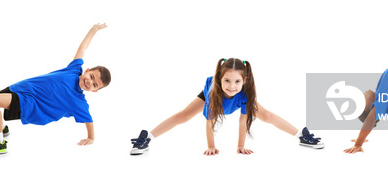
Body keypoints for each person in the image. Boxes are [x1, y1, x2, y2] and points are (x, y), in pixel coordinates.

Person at [130, 58, 324, 156]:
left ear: (244, 81)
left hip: (239, 98)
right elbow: (209, 122)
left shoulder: (244, 92)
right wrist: (211, 147)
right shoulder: (213, 94)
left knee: (267, 115)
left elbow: (243, 120)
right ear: (219, 79)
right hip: (213, 96)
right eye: (227, 80)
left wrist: (240, 146)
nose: (232, 86)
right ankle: (148, 137)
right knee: (183, 116)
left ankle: (302, 136)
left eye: (237, 81)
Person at [0, 23, 111, 155]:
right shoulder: (74, 69)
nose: (90, 82)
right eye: (91, 76)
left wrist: (91, 137)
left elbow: (89, 120)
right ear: (86, 70)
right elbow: (82, 48)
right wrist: (93, 30)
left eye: (94, 85)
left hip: (30, 103)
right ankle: (1, 129)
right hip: (22, 88)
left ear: (94, 91)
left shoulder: (78, 101)